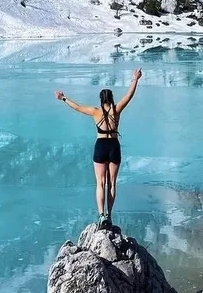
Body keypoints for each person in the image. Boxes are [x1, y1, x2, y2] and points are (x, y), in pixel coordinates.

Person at [55, 68, 142, 227]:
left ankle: (101, 216)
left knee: (100, 183)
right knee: (112, 183)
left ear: (101, 99)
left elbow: (78, 107)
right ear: (112, 99)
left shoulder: (95, 112)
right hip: (114, 146)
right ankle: (109, 215)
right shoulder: (117, 110)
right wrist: (135, 79)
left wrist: (63, 98)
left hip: (101, 146)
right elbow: (129, 96)